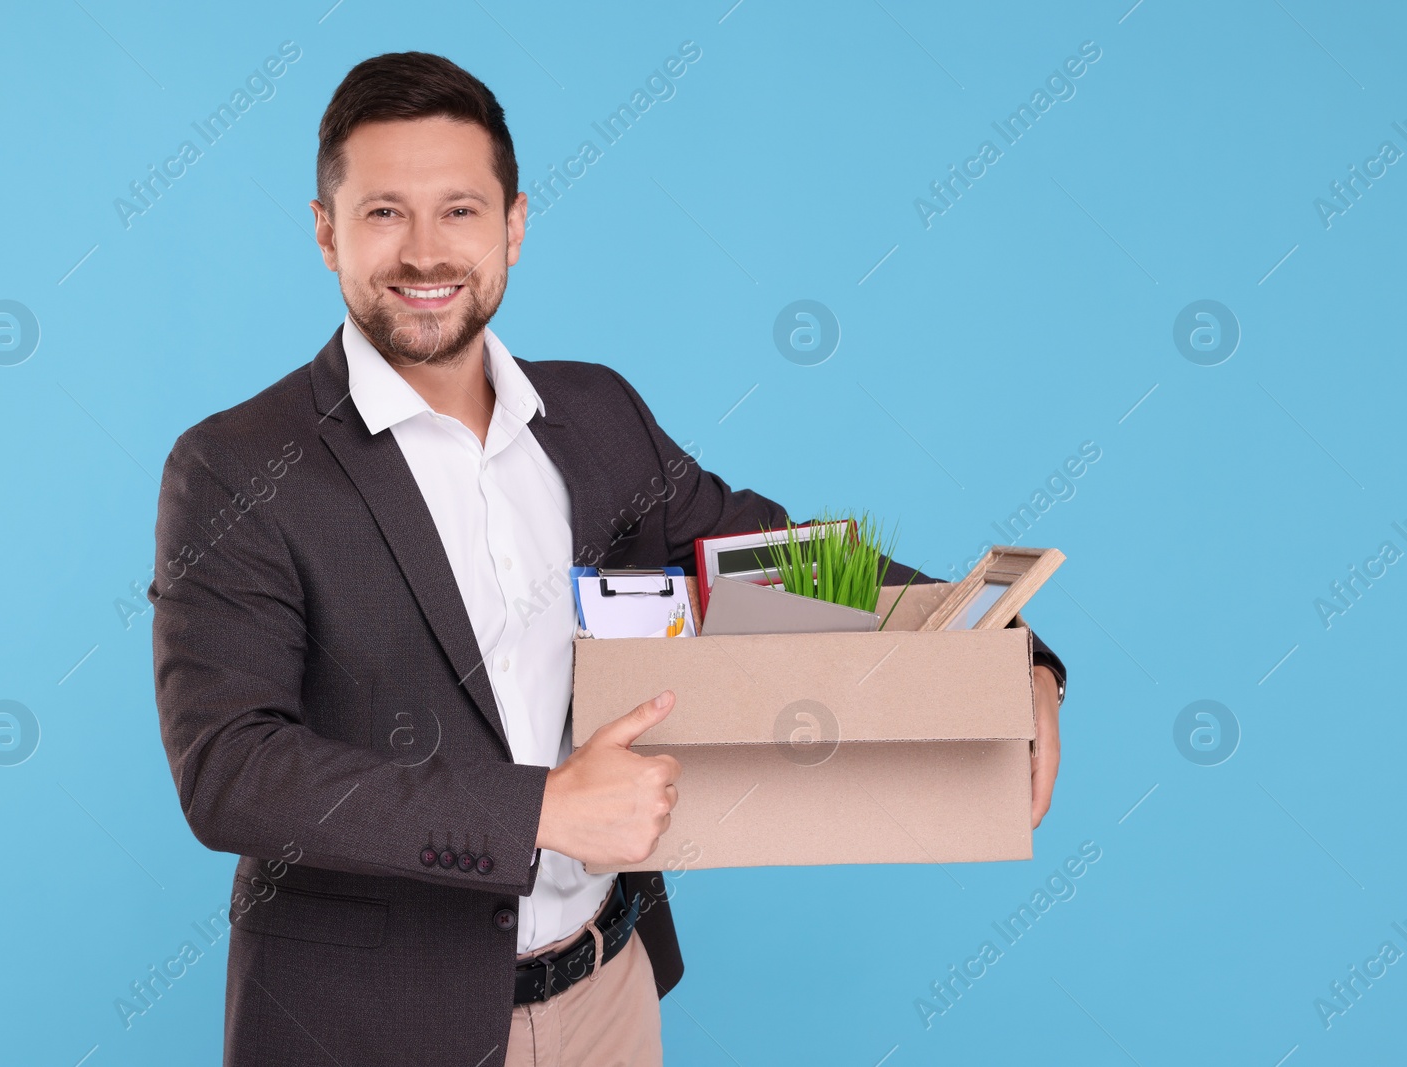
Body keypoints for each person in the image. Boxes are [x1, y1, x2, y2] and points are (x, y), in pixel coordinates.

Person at [148, 50, 1067, 1067]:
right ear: (324, 231)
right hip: (372, 1021)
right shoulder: (235, 465)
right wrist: (542, 807)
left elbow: (772, 567)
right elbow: (231, 770)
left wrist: (1001, 648)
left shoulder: (596, 416)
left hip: (606, 991)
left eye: (458, 210)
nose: (423, 252)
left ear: (514, 226)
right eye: (382, 213)